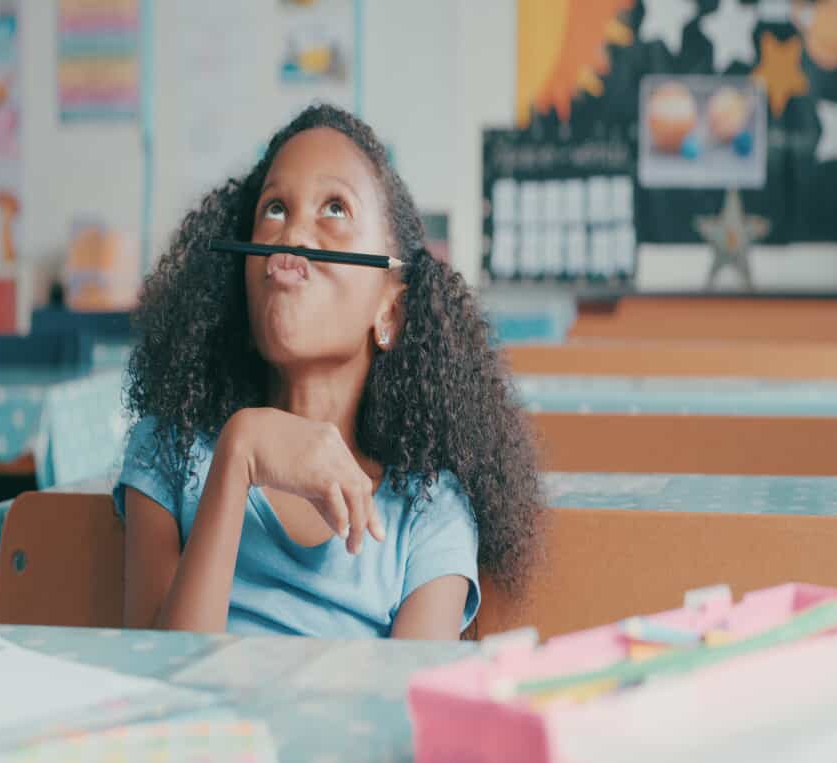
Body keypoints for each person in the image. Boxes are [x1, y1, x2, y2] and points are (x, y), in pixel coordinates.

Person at [114, 104, 543, 640]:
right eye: (274, 208)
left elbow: (404, 715)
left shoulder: (430, 511)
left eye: (335, 209)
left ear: (390, 308)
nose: (293, 232)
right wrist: (238, 453)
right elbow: (157, 681)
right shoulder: (171, 452)